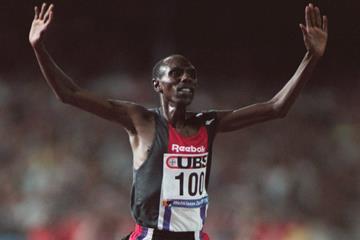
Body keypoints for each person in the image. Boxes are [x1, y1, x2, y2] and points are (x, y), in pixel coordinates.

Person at [29, 2, 328, 240]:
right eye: (176, 74)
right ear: (157, 84)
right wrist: (39, 48)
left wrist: (310, 59)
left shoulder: (207, 124)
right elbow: (69, 93)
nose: (185, 78)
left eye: (191, 75)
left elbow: (276, 107)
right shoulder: (141, 120)